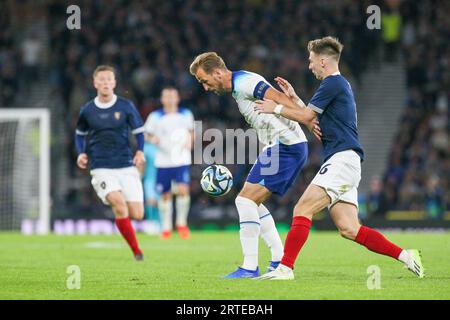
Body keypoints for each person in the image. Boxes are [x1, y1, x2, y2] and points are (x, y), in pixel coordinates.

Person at [255, 36, 424, 280]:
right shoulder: (336, 86)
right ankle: (407, 256)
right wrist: (293, 98)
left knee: (302, 208)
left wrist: (277, 108)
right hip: (346, 161)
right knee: (349, 229)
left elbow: (305, 117)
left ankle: (285, 268)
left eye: (311, 60)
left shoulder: (332, 83)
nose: (310, 65)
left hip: (342, 160)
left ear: (323, 61)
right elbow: (311, 117)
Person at [189, 52, 320, 278]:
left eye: (204, 80)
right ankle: (278, 257)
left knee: (244, 200)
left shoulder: (246, 82)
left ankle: (249, 266)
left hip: (286, 146)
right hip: (275, 147)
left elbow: (278, 98)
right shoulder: (240, 86)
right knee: (252, 202)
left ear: (218, 73)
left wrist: (306, 118)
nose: (205, 87)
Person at [75, 65, 146, 261]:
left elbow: (139, 131)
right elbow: (79, 134)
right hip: (101, 168)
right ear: (95, 83)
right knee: (119, 204)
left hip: (126, 166)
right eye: (102, 79)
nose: (105, 83)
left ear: (114, 83)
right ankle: (136, 251)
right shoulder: (87, 110)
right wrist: (81, 153)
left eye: (109, 79)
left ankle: (125, 228)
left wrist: (140, 151)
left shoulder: (125, 106)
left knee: (138, 214)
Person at [144, 87, 194, 240]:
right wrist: (154, 140)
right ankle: (166, 227)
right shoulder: (155, 116)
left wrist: (190, 142)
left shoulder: (186, 114)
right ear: (162, 99)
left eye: (173, 96)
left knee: (183, 190)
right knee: (165, 194)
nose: (170, 99)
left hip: (181, 159)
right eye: (167, 96)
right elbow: (146, 134)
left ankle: (181, 224)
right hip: (163, 161)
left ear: (177, 98)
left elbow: (192, 131)